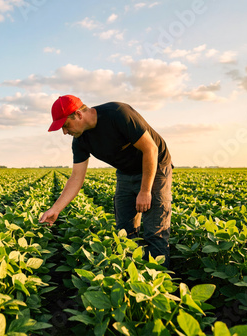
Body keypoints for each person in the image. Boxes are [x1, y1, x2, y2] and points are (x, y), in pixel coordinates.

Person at [39, 95, 173, 268]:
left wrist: (145, 191)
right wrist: (55, 209)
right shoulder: (80, 140)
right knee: (124, 232)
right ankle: (131, 280)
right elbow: (76, 177)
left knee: (155, 233)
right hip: (125, 172)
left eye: (65, 125)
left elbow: (150, 149)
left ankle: (159, 285)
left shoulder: (118, 114)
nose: (65, 132)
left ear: (79, 115)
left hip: (155, 167)